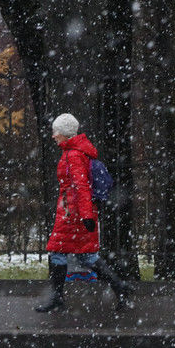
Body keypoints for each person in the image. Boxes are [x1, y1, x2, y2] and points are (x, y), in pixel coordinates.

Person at [34, 112, 132, 312]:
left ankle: (58, 298)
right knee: (84, 256)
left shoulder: (74, 155)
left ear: (64, 133)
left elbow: (82, 187)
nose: (53, 136)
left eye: (56, 132)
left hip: (73, 214)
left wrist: (86, 216)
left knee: (61, 252)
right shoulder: (74, 151)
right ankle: (119, 288)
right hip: (72, 212)